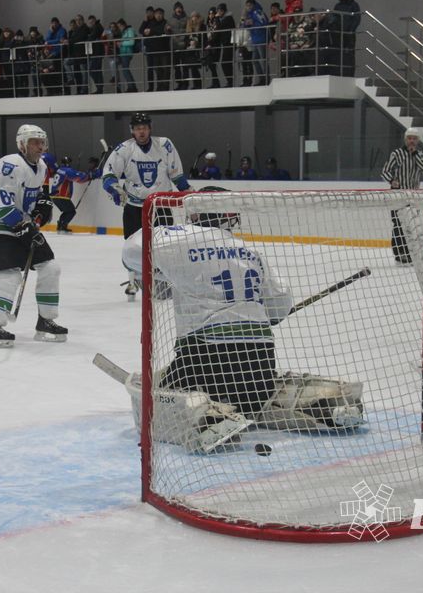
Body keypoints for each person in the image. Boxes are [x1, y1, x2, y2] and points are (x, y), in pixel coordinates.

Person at [118, 187, 364, 453]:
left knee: (166, 393)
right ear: (230, 216)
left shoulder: (177, 238)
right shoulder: (249, 251)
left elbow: (130, 251)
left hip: (204, 355)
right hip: (259, 360)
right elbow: (280, 305)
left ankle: (209, 418)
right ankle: (321, 405)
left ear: (194, 213)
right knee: (254, 400)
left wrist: (159, 267)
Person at [0, 124, 67, 347]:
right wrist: (22, 226)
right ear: (22, 144)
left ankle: (45, 321)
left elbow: (38, 194)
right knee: (10, 275)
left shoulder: (41, 167)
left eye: (41, 142)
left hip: (24, 224)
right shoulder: (9, 165)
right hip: (1, 225)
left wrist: (43, 205)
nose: (40, 146)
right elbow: (3, 205)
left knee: (50, 267)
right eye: (34, 142)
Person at [102, 112, 191, 300]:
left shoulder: (165, 145)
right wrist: (115, 189)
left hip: (161, 205)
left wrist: (189, 195)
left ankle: (164, 281)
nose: (141, 132)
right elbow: (108, 175)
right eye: (137, 128)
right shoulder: (124, 149)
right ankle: (133, 282)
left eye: (144, 128)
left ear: (150, 128)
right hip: (135, 208)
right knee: (133, 247)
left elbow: (177, 176)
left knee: (166, 246)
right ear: (132, 131)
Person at [381, 127, 423, 264]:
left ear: (418, 141)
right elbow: (385, 171)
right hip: (397, 194)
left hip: (413, 195)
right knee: (398, 224)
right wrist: (392, 180)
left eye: (414, 139)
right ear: (405, 139)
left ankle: (409, 253)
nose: (412, 141)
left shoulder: (420, 155)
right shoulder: (397, 154)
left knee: (412, 225)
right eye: (409, 138)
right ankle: (399, 254)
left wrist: (415, 155)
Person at [43, 152, 94, 234]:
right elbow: (79, 177)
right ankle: (62, 226)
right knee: (71, 211)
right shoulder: (67, 170)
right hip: (61, 196)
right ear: (68, 163)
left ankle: (60, 226)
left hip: (54, 196)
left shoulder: (59, 170)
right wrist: (91, 175)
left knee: (67, 211)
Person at [333, 0, 361, 76]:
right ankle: (339, 73)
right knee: (339, 54)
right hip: (339, 34)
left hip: (349, 34)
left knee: (349, 55)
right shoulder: (337, 6)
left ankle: (349, 74)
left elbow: (357, 19)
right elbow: (334, 18)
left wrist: (350, 31)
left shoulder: (354, 5)